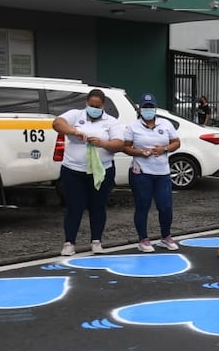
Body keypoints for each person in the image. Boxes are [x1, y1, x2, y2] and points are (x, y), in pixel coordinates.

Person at [52, 89, 122, 255]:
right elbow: (57, 123)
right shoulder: (76, 115)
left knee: (98, 207)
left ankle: (96, 241)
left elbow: (119, 144)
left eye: (97, 106)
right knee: (74, 207)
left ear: (103, 105)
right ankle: (69, 242)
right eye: (91, 105)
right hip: (73, 170)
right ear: (86, 103)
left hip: (101, 170)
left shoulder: (111, 122)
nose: (94, 108)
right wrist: (74, 131)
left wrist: (103, 143)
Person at [123, 93, 181, 253]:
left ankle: (166, 237)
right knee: (143, 205)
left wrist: (164, 149)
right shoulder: (132, 127)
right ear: (140, 109)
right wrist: (140, 153)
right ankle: (143, 239)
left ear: (155, 108)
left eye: (151, 107)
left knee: (165, 206)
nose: (148, 110)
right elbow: (125, 147)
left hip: (162, 173)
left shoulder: (165, 124)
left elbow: (176, 142)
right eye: (145, 107)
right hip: (141, 172)